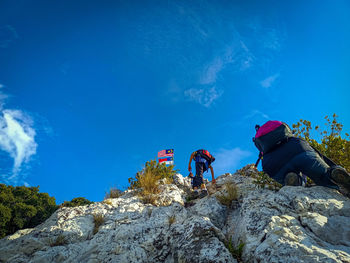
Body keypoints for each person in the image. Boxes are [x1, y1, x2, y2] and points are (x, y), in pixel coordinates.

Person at [253, 121, 350, 192]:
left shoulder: (260, 141)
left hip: (273, 163)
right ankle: (332, 174)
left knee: (287, 178)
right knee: (323, 175)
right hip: (298, 148)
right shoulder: (280, 127)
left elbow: (261, 154)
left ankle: (294, 181)